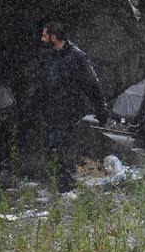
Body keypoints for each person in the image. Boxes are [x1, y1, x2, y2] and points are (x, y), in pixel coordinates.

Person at [33, 22, 109, 192]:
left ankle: (65, 188)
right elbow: (42, 83)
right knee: (51, 146)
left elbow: (92, 84)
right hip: (51, 109)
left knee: (55, 145)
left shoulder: (77, 56)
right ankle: (66, 184)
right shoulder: (48, 56)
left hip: (68, 109)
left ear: (54, 37)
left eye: (45, 36)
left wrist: (100, 108)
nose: (41, 39)